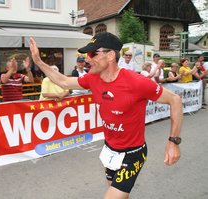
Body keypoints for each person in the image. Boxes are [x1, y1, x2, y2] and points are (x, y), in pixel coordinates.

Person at [29, 32, 182, 199]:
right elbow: (64, 81)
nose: (87, 59)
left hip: (132, 154)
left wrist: (173, 142)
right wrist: (38, 62)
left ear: (110, 56)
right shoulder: (92, 78)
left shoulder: (136, 82)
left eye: (93, 53)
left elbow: (175, 100)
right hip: (110, 150)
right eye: (86, 54)